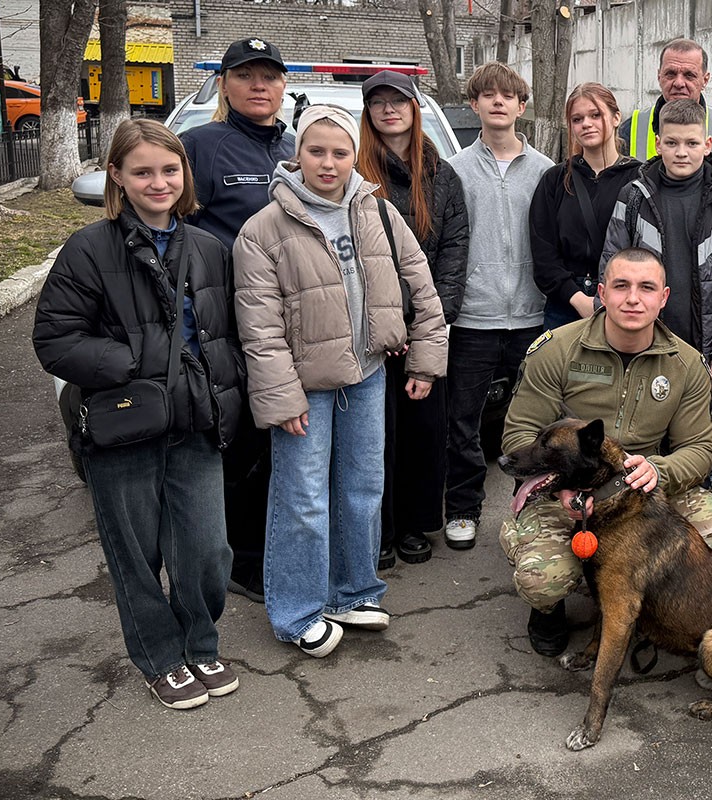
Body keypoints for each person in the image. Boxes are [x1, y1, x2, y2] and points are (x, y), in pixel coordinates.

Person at [33, 119, 244, 709]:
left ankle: (202, 644)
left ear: (185, 175)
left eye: (169, 170)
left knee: (206, 549)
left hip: (194, 424)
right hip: (122, 424)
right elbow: (54, 340)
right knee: (135, 553)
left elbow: (226, 339)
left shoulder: (207, 249)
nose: (159, 182)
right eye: (143, 171)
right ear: (118, 179)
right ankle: (160, 657)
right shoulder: (88, 249)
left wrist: (229, 397)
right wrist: (134, 361)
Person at [232, 105, 447, 658]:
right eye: (316, 151)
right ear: (296, 154)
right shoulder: (263, 230)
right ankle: (298, 610)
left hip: (369, 376)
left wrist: (423, 359)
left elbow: (420, 286)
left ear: (356, 155)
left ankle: (354, 591)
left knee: (362, 488)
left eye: (340, 151)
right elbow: (259, 325)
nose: (329, 163)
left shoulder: (376, 211)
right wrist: (281, 396)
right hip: (305, 389)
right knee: (302, 498)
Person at [499, 248, 712, 657]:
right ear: (602, 293)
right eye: (621, 286)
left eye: (646, 288)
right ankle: (549, 609)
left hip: (640, 488)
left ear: (663, 297)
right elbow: (520, 436)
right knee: (543, 578)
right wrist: (559, 484)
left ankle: (648, 604)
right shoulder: (557, 349)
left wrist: (659, 469)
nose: (633, 298)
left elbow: (701, 447)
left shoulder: (685, 363)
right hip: (564, 486)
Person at [180, 37, 294, 604]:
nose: (258, 85)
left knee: (283, 444)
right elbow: (169, 233)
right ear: (224, 83)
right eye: (245, 74)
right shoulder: (199, 146)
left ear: (282, 86)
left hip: (292, 327)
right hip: (224, 326)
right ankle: (239, 558)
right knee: (240, 443)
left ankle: (278, 545)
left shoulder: (297, 150)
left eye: (269, 76)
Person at [600, 98, 712, 489]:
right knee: (641, 444)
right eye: (671, 143)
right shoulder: (633, 197)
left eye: (690, 143)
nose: (681, 152)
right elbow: (613, 265)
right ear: (657, 144)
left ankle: (699, 531)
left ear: (707, 144)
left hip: (705, 353)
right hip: (643, 346)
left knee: (700, 449)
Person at [358, 70, 470, 569]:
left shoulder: (442, 177)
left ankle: (412, 525)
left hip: (425, 326)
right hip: (368, 332)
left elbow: (454, 252)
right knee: (372, 438)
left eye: (397, 101)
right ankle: (375, 531)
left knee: (424, 435)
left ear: (414, 107)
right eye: (378, 102)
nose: (389, 110)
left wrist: (431, 320)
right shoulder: (355, 174)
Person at [444, 62, 553, 550]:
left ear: (521, 106)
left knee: (529, 421)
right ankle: (463, 509)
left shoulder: (547, 171)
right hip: (474, 316)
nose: (497, 102)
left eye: (507, 96)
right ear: (474, 105)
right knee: (462, 420)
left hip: (531, 315)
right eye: (487, 95)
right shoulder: (455, 169)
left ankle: (529, 510)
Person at [530, 82, 641, 330]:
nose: (586, 124)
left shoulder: (639, 179)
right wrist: (577, 298)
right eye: (577, 119)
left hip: (626, 301)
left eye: (595, 115)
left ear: (616, 118)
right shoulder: (555, 180)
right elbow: (543, 252)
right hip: (564, 306)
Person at [617, 38, 712, 205]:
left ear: (705, 80)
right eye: (670, 74)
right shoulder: (631, 128)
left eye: (689, 75)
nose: (679, 83)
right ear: (659, 76)